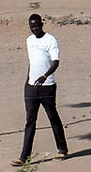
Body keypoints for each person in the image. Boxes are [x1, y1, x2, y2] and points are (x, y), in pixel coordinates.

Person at [20, 14, 68, 164]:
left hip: (47, 87)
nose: (34, 29)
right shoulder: (29, 40)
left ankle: (62, 149)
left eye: (36, 26)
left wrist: (45, 76)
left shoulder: (50, 40)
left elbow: (55, 62)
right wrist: (28, 82)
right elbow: (32, 62)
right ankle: (24, 157)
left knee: (52, 117)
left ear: (41, 24)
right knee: (30, 121)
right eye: (32, 26)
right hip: (31, 88)